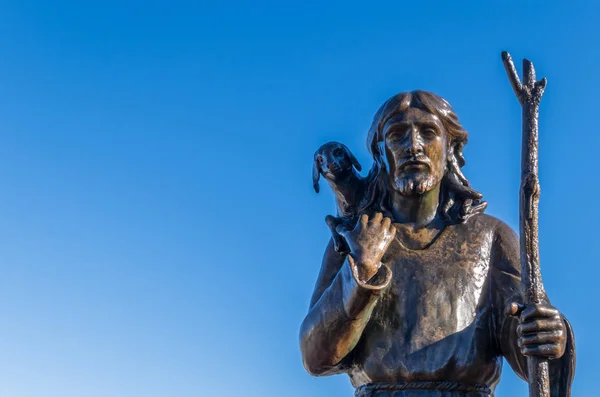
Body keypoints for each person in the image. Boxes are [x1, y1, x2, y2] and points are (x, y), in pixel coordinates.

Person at [299, 91, 575, 397]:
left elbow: (532, 355)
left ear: (451, 150)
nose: (413, 146)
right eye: (397, 135)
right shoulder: (354, 237)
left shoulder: (491, 236)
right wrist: (360, 272)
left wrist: (548, 338)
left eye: (428, 132)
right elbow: (316, 357)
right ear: (381, 155)